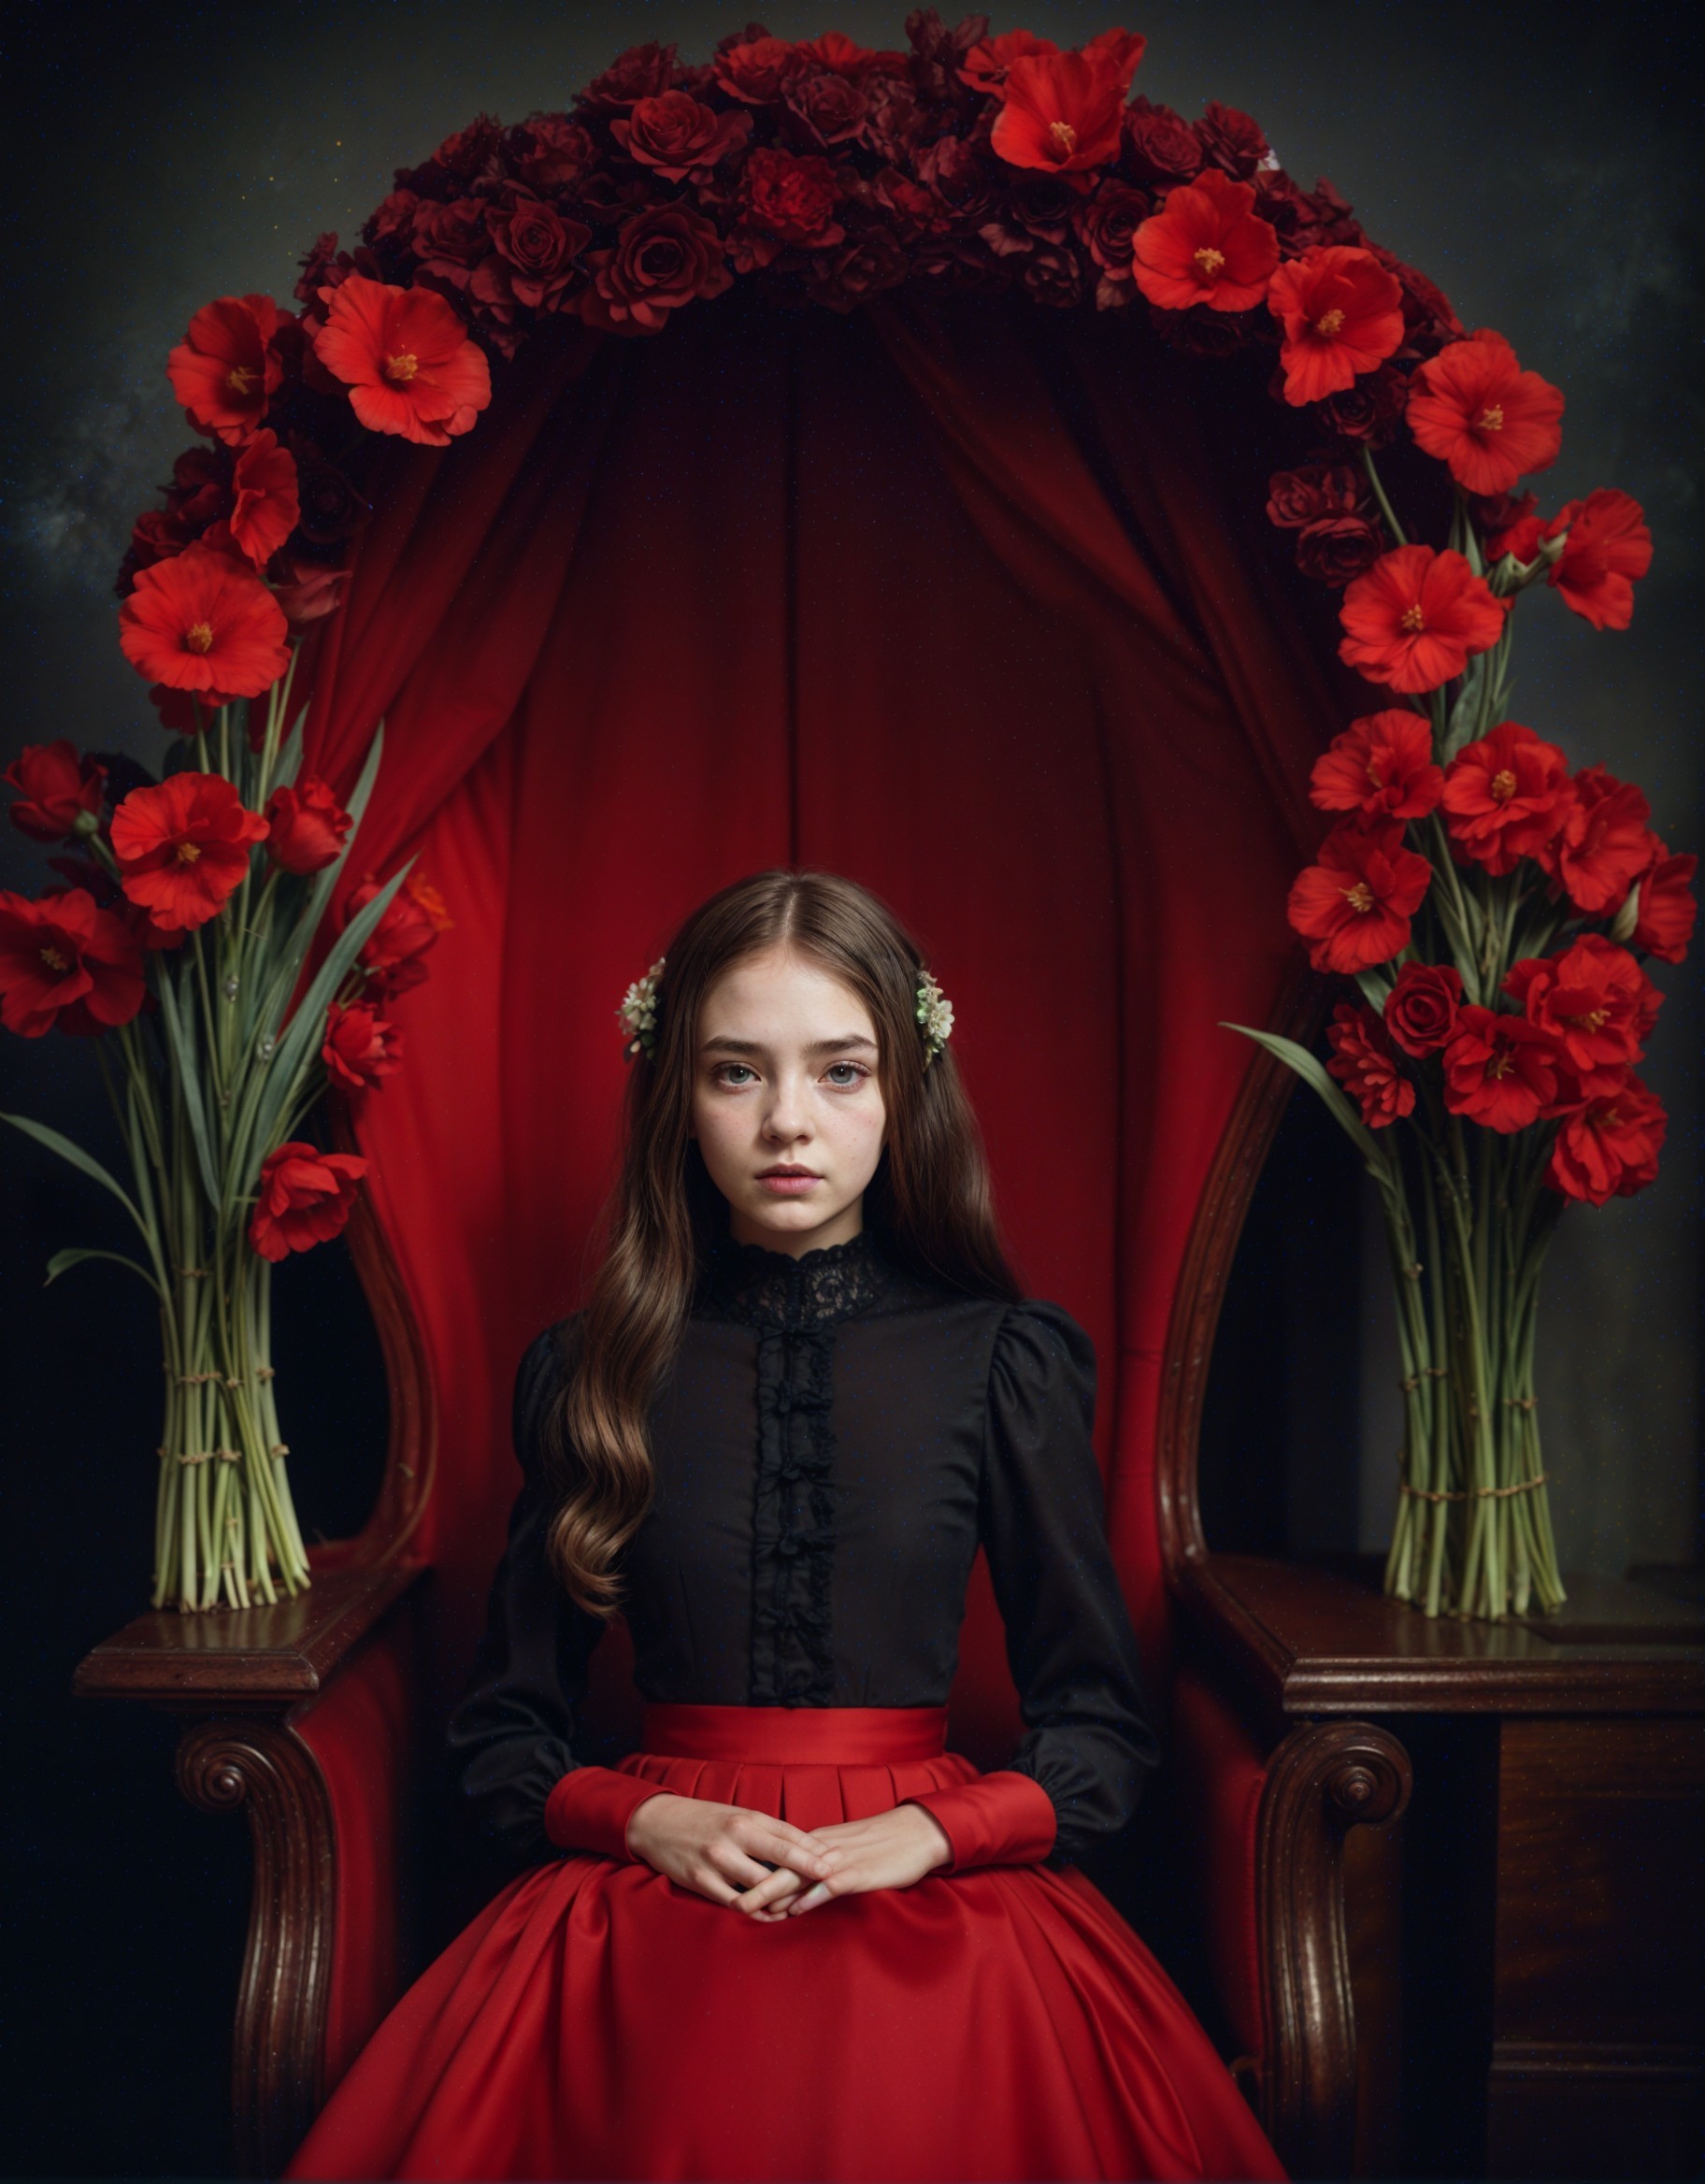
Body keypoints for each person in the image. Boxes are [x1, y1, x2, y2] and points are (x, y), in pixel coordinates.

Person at [284, 869, 1286, 2184]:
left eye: (841, 1071)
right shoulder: (587, 1370)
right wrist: (642, 1821)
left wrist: (936, 1832)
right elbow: (500, 1739)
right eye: (737, 1073)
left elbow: (1100, 1729)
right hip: (655, 1884)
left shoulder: (1003, 1361)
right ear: (676, 1094)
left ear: (905, 1090)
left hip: (936, 1888)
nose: (788, 1123)